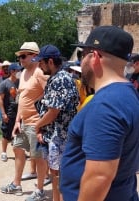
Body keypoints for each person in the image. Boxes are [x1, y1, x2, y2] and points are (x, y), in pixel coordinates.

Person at [60, 26, 139, 201]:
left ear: (94, 57)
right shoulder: (128, 93)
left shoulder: (106, 104)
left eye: (82, 55)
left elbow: (99, 177)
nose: (81, 62)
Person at [28, 45, 79, 201]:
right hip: (56, 136)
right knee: (56, 176)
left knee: (60, 178)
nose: (39, 66)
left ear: (50, 61)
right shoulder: (57, 78)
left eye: (41, 62)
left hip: (61, 137)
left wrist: (37, 126)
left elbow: (53, 112)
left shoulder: (60, 79)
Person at [0, 42, 49, 196]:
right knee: (17, 148)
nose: (20, 59)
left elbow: (49, 94)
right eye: (19, 56)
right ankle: (17, 184)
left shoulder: (40, 72)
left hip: (36, 122)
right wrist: (17, 121)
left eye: (23, 56)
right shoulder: (24, 74)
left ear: (34, 56)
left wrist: (42, 122)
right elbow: (22, 98)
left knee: (39, 157)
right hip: (23, 122)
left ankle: (40, 190)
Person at [0, 63, 22, 162]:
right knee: (6, 134)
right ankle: (3, 152)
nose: (19, 73)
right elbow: (0, 100)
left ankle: (19, 152)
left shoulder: (20, 82)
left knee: (19, 133)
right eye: (18, 71)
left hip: (19, 113)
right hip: (9, 112)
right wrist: (3, 114)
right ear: (12, 71)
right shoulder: (4, 84)